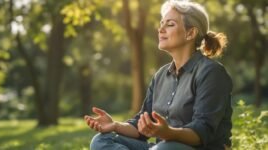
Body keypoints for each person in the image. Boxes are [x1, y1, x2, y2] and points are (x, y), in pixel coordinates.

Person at [84, 0, 232, 149]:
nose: (161, 29)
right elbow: (140, 126)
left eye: (170, 24)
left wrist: (169, 133)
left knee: (163, 148)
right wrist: (114, 125)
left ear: (190, 33)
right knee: (101, 141)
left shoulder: (211, 72)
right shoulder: (161, 75)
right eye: (161, 23)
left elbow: (202, 131)